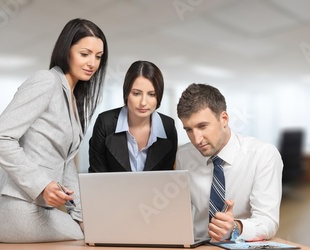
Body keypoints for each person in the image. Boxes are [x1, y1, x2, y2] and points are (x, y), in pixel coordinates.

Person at [0, 18, 108, 243]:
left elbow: (66, 162)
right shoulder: (46, 81)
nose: (92, 63)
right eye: (85, 53)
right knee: (88, 237)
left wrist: (80, 216)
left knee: (92, 231)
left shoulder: (71, 98)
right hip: (14, 207)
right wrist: (41, 185)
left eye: (98, 56)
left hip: (39, 209)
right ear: (66, 51)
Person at [175, 83, 283, 242]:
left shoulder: (263, 155)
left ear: (224, 119)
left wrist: (235, 227)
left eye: (202, 126)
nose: (196, 139)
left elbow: (268, 221)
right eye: (188, 130)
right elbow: (182, 213)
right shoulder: (184, 155)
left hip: (238, 244)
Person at [88, 60, 177, 173]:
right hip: (112, 190)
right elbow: (96, 174)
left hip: (153, 191)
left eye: (151, 94)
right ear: (126, 93)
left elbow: (166, 177)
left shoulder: (168, 127)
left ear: (158, 96)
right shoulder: (105, 123)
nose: (143, 102)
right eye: (136, 93)